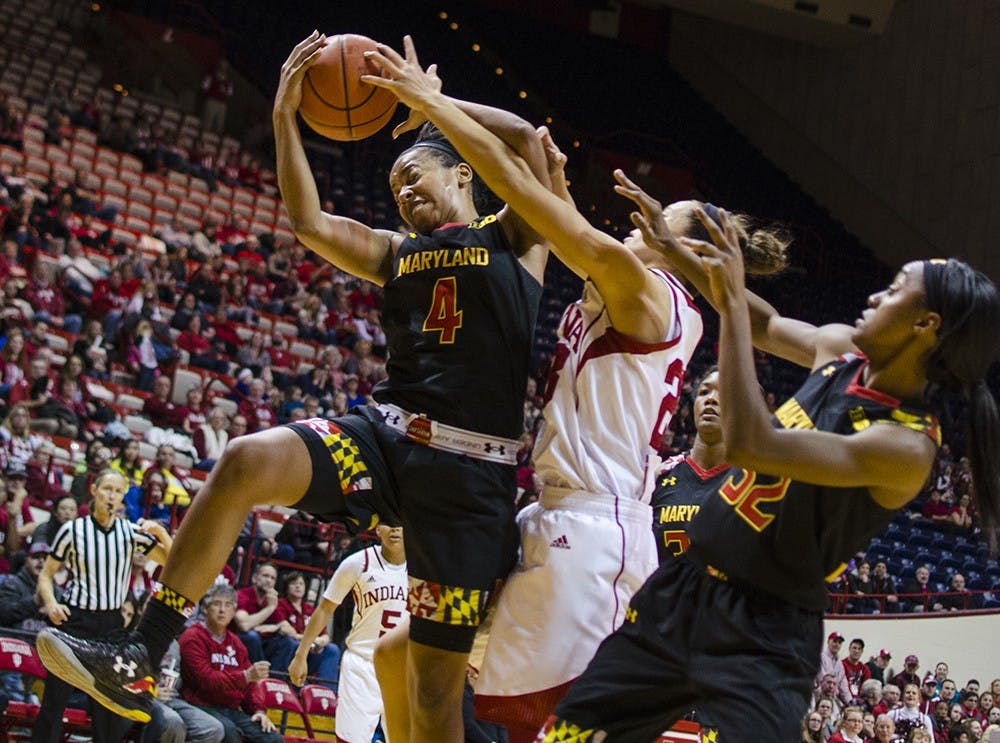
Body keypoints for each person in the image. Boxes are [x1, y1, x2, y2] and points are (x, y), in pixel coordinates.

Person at [37, 31, 548, 743]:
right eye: (395, 184)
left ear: (462, 175)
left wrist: (432, 100)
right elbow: (308, 222)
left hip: (470, 483)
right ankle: (141, 652)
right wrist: (285, 117)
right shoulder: (396, 253)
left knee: (431, 695)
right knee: (246, 456)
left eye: (417, 175)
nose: (404, 191)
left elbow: (526, 141)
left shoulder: (517, 239)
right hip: (387, 440)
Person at [360, 37, 787, 743]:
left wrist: (432, 101)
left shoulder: (646, 288)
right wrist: (545, 177)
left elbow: (525, 192)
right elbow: (544, 193)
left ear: (682, 250)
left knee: (547, 730)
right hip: (553, 515)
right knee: (402, 653)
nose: (636, 221)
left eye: (657, 220)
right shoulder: (629, 286)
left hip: (593, 533)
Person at [531, 240, 1000, 736]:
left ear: (926, 325)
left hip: (765, 631)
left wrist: (732, 300)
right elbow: (765, 325)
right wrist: (682, 256)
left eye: (895, 291)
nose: (876, 297)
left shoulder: (905, 445)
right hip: (683, 593)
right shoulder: (840, 351)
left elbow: (750, 443)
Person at [32, 469, 172, 743]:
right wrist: (51, 604)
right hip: (75, 620)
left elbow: (172, 561)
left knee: (107, 710)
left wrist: (163, 534)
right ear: (94, 491)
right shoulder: (73, 530)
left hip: (111, 628)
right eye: (107, 489)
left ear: (123, 498)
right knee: (54, 703)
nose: (112, 495)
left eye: (118, 491)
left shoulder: (130, 533)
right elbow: (46, 574)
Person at [289, 524, 406, 743]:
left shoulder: (425, 567)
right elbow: (324, 609)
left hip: (404, 670)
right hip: (362, 665)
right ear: (378, 529)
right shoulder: (358, 563)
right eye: (388, 523)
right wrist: (300, 655)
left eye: (400, 524)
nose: (395, 530)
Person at [178, 582, 281, 743]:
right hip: (199, 705)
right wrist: (245, 676)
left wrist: (258, 710)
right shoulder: (192, 637)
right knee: (230, 733)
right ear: (205, 609)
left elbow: (250, 687)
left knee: (272, 738)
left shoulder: (236, 643)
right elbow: (206, 679)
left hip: (229, 709)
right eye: (217, 604)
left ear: (233, 611)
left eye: (228, 605)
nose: (222, 610)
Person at [265, 571, 340, 687]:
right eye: (294, 583)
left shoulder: (310, 609)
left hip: (308, 652)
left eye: (301, 583)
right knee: (292, 643)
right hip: (284, 650)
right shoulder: (281, 604)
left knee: (332, 649)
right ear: (286, 587)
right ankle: (285, 683)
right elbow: (289, 632)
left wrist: (322, 641)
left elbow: (325, 635)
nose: (298, 586)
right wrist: (312, 641)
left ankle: (326, 691)